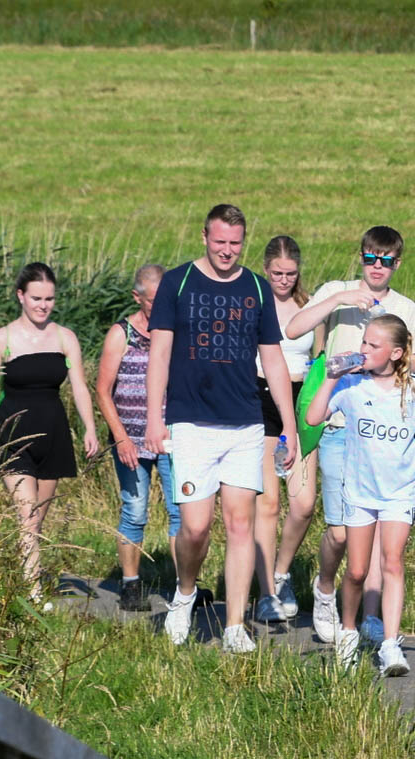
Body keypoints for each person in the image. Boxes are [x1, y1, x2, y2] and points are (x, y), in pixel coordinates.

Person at [143, 204, 300, 653]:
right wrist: (154, 417)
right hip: (191, 422)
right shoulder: (178, 282)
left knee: (240, 522)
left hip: (245, 423)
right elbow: (160, 354)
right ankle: (185, 594)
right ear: (204, 237)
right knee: (195, 528)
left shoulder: (256, 287)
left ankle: (234, 625)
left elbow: (273, 360)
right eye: (220, 242)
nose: (227, 251)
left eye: (235, 243)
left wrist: (288, 426)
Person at [286, 226, 415, 648]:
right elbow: (294, 329)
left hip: (381, 430)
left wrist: (391, 371)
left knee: (381, 535)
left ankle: (370, 617)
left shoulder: (405, 308)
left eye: (386, 261)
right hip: (338, 425)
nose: (377, 267)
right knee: (342, 532)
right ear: (361, 257)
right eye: (370, 258)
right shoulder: (338, 291)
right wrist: (338, 301)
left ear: (397, 264)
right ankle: (325, 588)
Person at [304, 315, 415, 675]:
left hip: (399, 491)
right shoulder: (351, 386)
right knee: (357, 571)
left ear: (396, 353)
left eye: (374, 345)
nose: (364, 349)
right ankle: (348, 632)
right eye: (364, 342)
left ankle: (390, 645)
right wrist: (332, 378)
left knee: (392, 563)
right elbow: (313, 418)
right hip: (359, 490)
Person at [0, 261, 100, 603]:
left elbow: (80, 386)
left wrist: (90, 428)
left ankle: (16, 576)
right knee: (27, 517)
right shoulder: (2, 339)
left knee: (36, 521)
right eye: (36, 298)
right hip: (12, 436)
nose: (43, 305)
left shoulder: (64, 337)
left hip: (53, 435)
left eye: (49, 299)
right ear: (21, 296)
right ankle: (34, 597)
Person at [96, 262, 180, 612]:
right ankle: (131, 583)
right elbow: (103, 391)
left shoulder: (175, 331)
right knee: (134, 509)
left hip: (171, 435)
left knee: (181, 511)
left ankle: (184, 587)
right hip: (130, 438)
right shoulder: (122, 334)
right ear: (137, 297)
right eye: (152, 301)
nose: (159, 308)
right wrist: (121, 438)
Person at [253, 236, 323, 625]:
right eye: (277, 273)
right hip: (261, 398)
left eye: (290, 273)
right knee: (268, 503)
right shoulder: (254, 302)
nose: (283, 280)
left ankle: (281, 574)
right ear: (266, 270)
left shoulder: (310, 306)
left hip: (300, 400)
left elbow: (319, 358)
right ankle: (265, 591)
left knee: (303, 503)